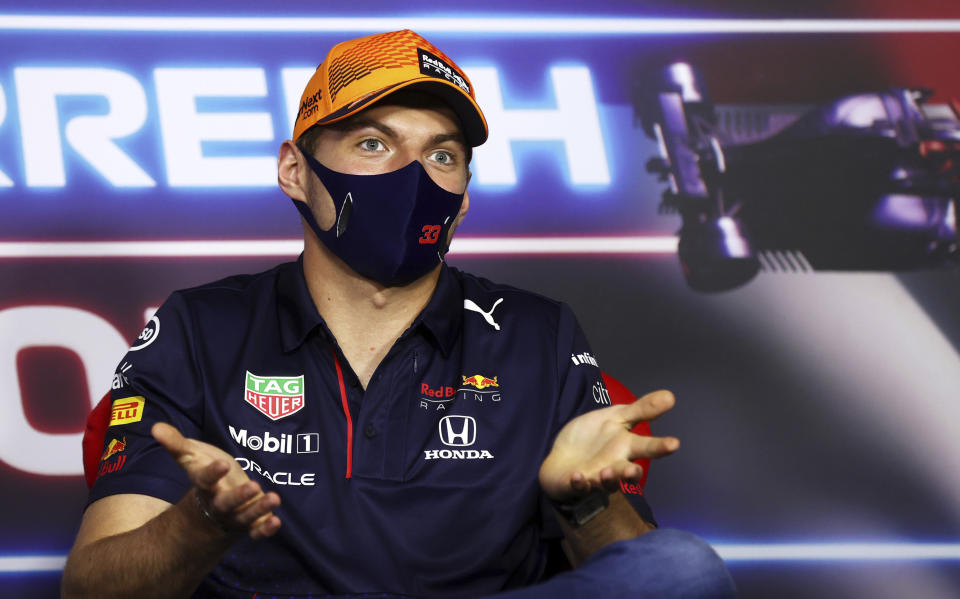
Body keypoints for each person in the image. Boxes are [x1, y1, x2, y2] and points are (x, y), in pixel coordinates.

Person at [62, 30, 735, 598]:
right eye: (374, 143)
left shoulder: (538, 334)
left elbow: (634, 570)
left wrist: (583, 501)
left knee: (681, 567)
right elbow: (92, 582)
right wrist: (202, 521)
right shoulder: (199, 328)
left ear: (464, 198)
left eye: (442, 154)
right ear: (294, 170)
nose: (414, 176)